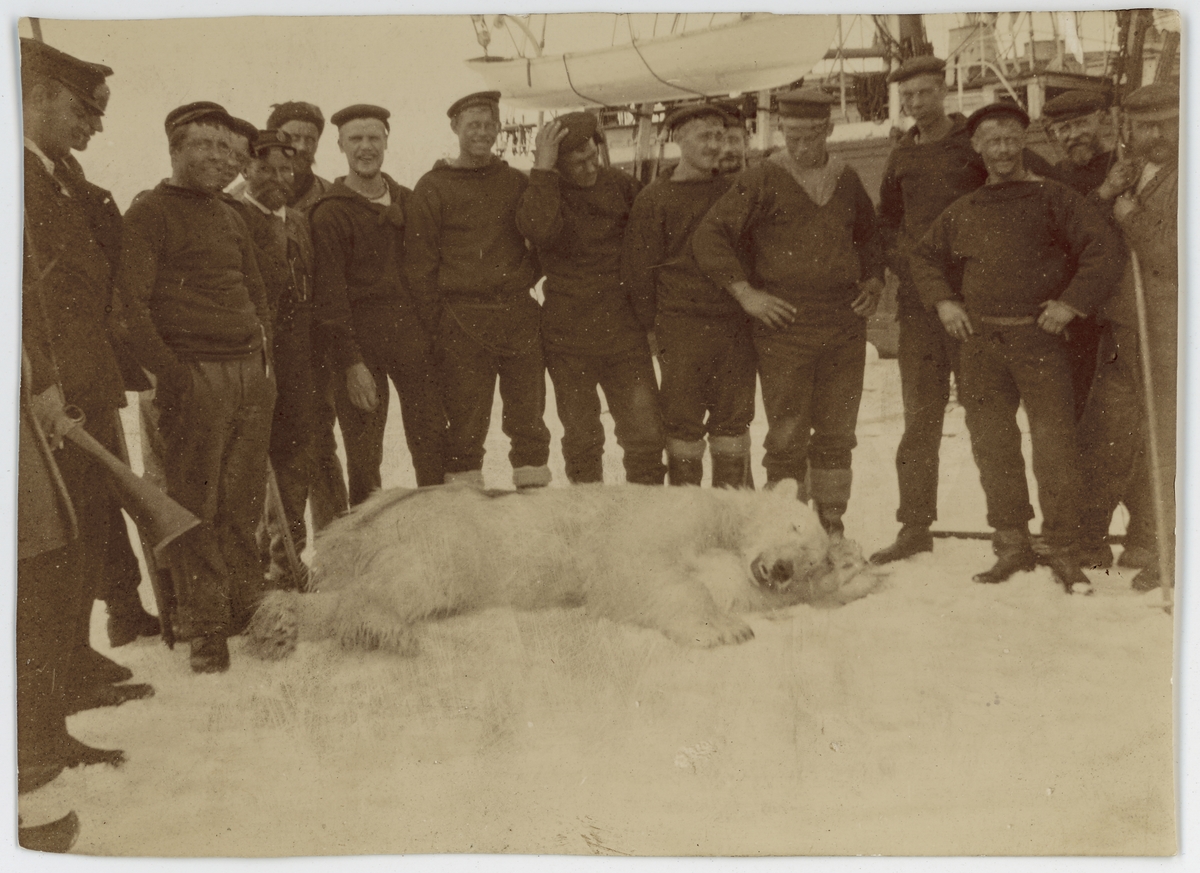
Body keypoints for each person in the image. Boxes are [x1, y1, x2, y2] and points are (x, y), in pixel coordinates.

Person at [908, 102, 1124, 593]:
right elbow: (924, 257)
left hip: (1041, 343)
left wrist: (1070, 304)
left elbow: (1102, 250)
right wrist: (944, 302)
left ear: (1022, 143)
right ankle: (1011, 544)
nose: (1002, 149)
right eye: (992, 140)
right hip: (981, 345)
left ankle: (1063, 549)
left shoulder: (1055, 198)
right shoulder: (964, 209)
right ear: (977, 148)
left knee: (1055, 448)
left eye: (1011, 138)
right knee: (993, 445)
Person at [871, 56, 1060, 565]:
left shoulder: (975, 143)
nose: (916, 105)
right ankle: (914, 526)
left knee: (988, 421)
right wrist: (909, 267)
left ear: (944, 91)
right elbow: (886, 224)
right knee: (920, 421)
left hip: (980, 308)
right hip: (922, 309)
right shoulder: (901, 155)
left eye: (925, 94)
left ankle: (1012, 534)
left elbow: (1039, 183)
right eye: (907, 98)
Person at [20, 39, 160, 707]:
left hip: (87, 380)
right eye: (82, 108)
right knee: (60, 535)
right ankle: (50, 680)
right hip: (46, 390)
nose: (93, 125)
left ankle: (72, 655)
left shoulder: (62, 176)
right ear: (36, 95)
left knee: (93, 525)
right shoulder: (17, 176)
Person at [117, 101, 276, 672]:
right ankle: (206, 626)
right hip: (195, 377)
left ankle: (245, 606)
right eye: (204, 145)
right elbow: (128, 310)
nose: (219, 157)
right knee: (194, 505)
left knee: (242, 501)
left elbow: (255, 291)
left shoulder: (229, 213)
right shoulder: (150, 212)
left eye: (226, 149)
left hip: (246, 375)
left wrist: (261, 361)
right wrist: (175, 376)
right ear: (175, 150)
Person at [695, 88, 883, 537]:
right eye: (792, 136)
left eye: (811, 137)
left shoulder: (847, 178)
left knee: (838, 433)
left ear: (829, 130)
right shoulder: (762, 177)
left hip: (842, 325)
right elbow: (710, 236)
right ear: (781, 131)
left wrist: (874, 281)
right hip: (786, 329)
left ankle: (832, 523)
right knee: (786, 437)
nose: (800, 147)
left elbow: (871, 237)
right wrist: (747, 295)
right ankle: (788, 528)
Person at [406, 91, 550, 490]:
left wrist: (520, 276)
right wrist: (442, 323)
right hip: (462, 323)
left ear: (499, 128)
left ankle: (533, 500)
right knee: (466, 428)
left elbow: (540, 238)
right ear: (455, 128)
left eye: (489, 124)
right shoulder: (433, 187)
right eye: (473, 125)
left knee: (529, 422)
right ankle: (463, 513)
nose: (482, 133)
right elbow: (420, 268)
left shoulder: (515, 181)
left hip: (518, 318)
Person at [515, 112, 665, 485]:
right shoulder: (544, 192)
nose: (587, 168)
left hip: (624, 334)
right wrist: (543, 170)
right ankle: (589, 519)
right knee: (582, 439)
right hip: (568, 339)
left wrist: (649, 325)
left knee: (645, 437)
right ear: (557, 165)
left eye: (591, 156)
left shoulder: (623, 187)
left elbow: (648, 257)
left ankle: (649, 519)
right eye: (575, 163)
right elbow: (539, 230)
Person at [309, 104, 446, 501]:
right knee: (365, 460)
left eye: (374, 138)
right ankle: (369, 548)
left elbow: (428, 273)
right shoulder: (330, 213)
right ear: (340, 145)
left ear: (386, 141)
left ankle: (437, 536)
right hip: (359, 348)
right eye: (356, 139)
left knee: (432, 444)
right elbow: (330, 299)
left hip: (412, 341)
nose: (365, 147)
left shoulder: (407, 198)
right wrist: (351, 365)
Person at [1076, 83, 1179, 589]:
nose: (1157, 135)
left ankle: (1174, 551)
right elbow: (1085, 239)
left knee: (1172, 439)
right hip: (1124, 327)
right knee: (1108, 436)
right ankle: (1100, 542)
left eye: (1167, 123)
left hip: (1173, 332)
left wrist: (1130, 216)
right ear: (1128, 129)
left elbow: (1178, 258)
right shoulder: (1132, 170)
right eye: (1145, 126)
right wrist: (1108, 195)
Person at [622, 103, 756, 489]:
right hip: (681, 330)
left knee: (733, 422)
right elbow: (639, 271)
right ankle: (688, 513)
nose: (715, 145)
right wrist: (651, 328)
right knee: (682, 423)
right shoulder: (654, 199)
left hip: (733, 326)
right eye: (704, 136)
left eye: (720, 136)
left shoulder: (737, 190)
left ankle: (732, 513)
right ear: (678, 139)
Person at [231, 130, 316, 588]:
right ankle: (251, 567)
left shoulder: (299, 221)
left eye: (287, 169)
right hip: (250, 361)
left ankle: (288, 562)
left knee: (294, 459)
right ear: (246, 169)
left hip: (296, 362)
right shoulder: (233, 217)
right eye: (267, 169)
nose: (279, 178)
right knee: (246, 466)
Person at [265, 100, 348, 532]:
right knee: (273, 450)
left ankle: (334, 543)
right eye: (290, 137)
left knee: (318, 442)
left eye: (309, 139)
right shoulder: (248, 198)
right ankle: (278, 553)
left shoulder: (331, 197)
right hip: (264, 347)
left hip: (317, 346)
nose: (299, 146)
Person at [1041, 89, 1117, 422]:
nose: (1072, 135)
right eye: (1063, 129)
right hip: (1079, 313)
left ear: (1102, 120)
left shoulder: (1125, 166)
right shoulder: (1055, 178)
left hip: (1123, 305)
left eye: (1080, 124)